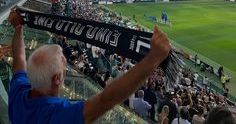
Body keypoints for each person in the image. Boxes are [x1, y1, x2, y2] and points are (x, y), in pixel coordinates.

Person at [8, 10, 171, 124]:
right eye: (64, 68)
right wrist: (153, 59)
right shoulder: (59, 115)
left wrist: (18, 27)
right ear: (57, 79)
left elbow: (19, 59)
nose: (65, 70)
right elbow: (107, 98)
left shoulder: (18, 93)